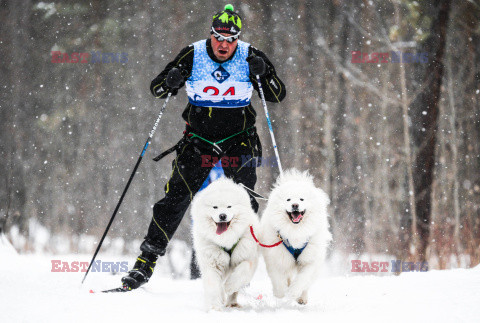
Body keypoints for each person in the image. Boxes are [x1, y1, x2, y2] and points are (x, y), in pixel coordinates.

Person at [121, 4, 286, 290]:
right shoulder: (193, 53)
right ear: (211, 35)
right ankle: (145, 263)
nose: (224, 45)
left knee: (243, 203)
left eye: (230, 39)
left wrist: (263, 73)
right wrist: (171, 79)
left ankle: (238, 270)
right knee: (175, 199)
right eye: (219, 38)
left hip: (240, 140)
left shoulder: (250, 55)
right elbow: (157, 88)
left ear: (238, 39)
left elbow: (277, 94)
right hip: (199, 141)